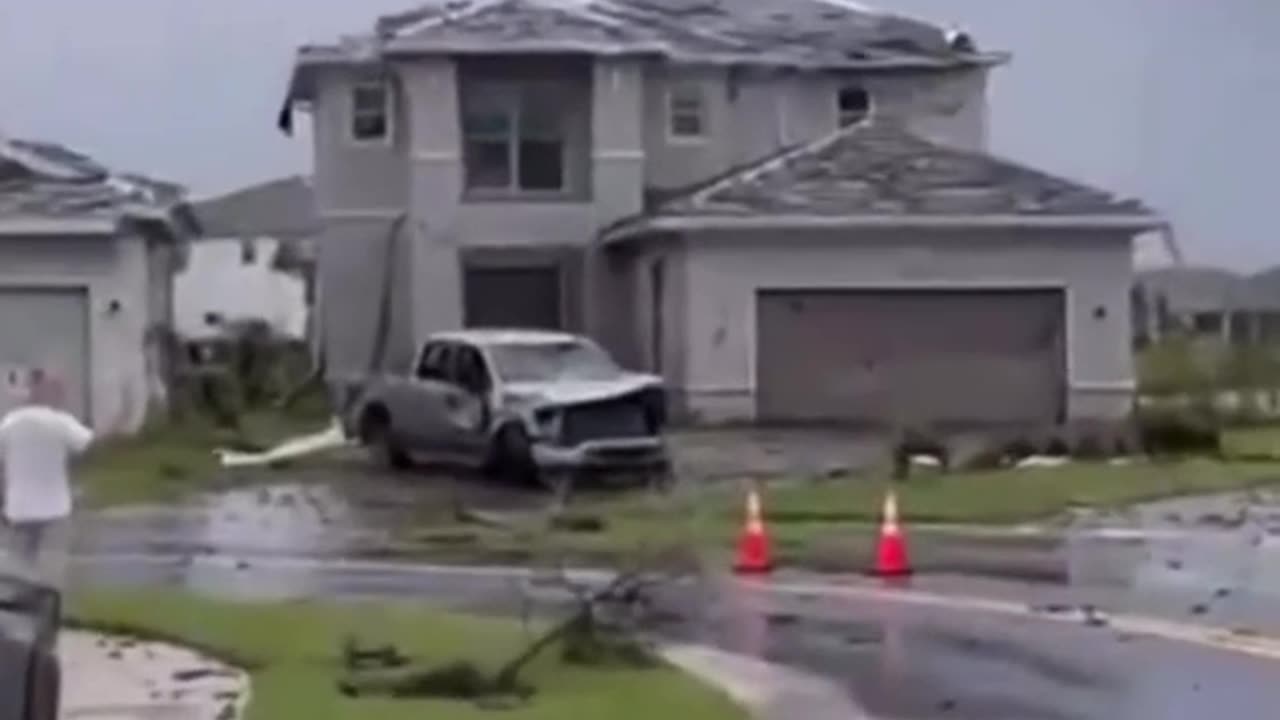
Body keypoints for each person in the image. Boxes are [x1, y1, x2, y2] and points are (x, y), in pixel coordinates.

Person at [0, 371, 94, 589]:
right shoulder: (60, 422)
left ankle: (19, 617)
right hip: (55, 509)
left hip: (18, 509)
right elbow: (89, 446)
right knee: (52, 575)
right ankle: (48, 616)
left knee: (17, 573)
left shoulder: (10, 423)